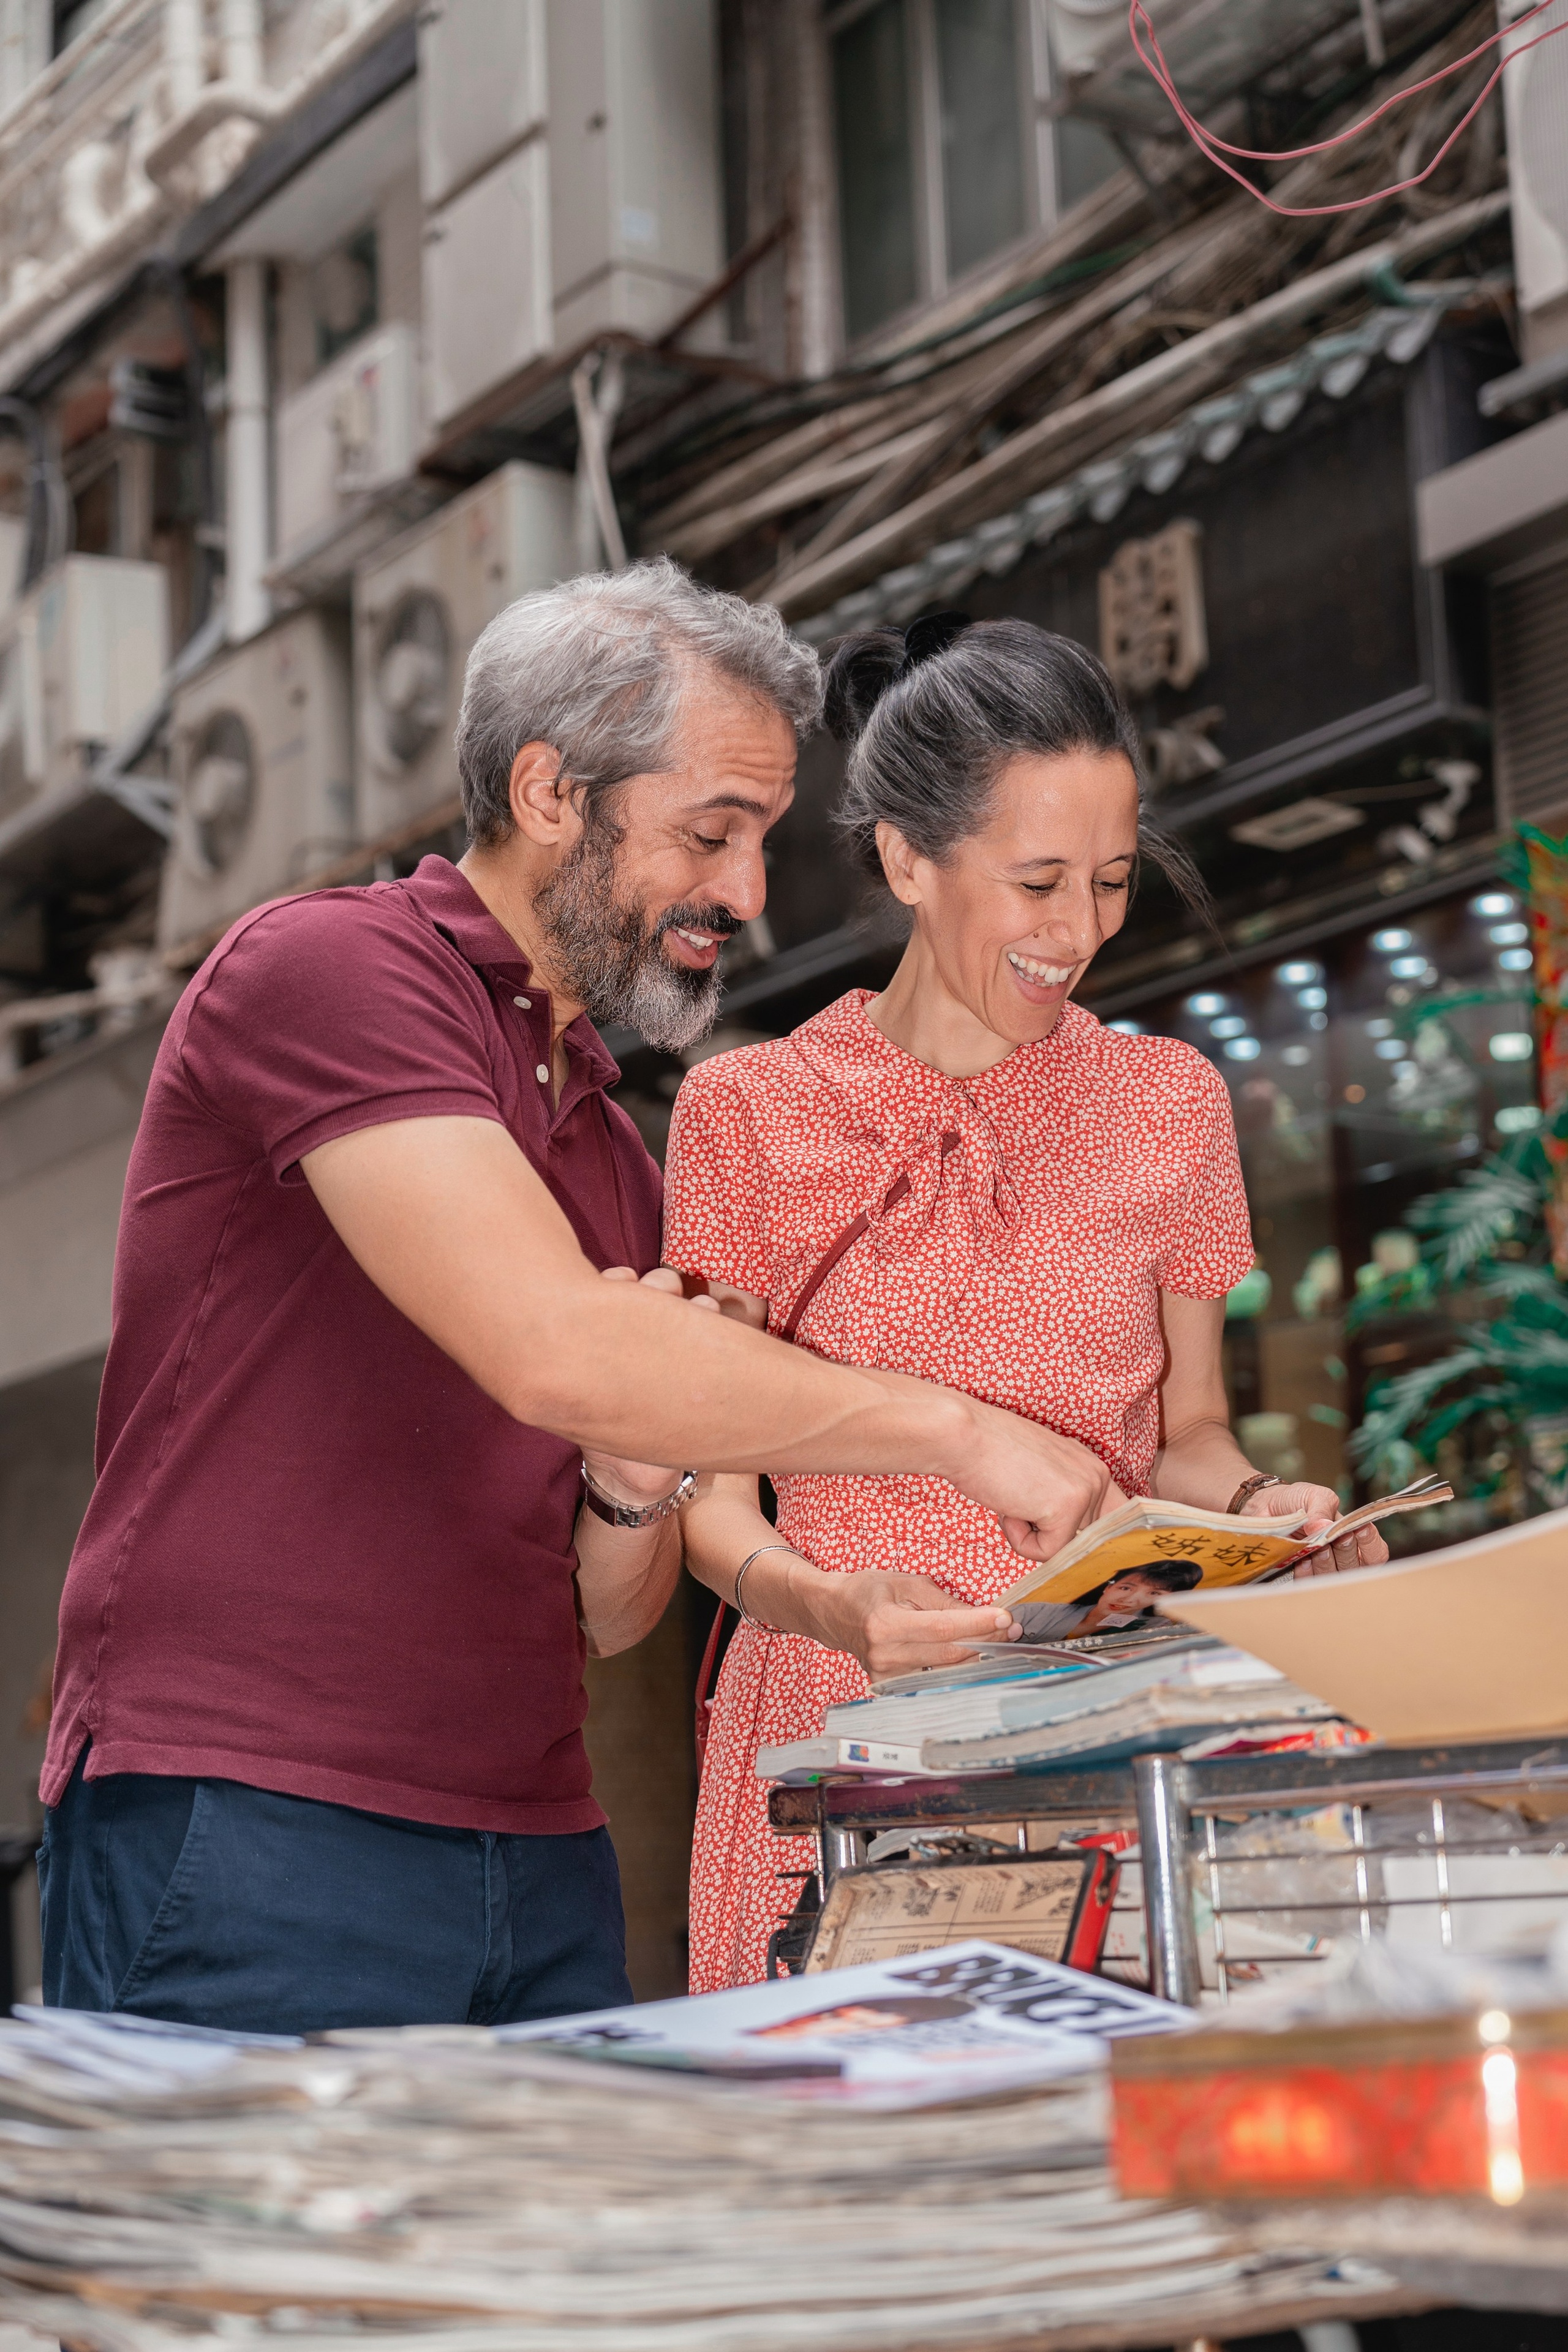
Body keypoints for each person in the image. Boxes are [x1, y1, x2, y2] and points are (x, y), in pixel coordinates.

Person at [38, 568, 1117, 2037]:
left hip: (539, 1839)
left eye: (757, 840)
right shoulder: (328, 968)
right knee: (263, 2276)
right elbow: (552, 1347)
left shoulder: (610, 1141)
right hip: (254, 1810)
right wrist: (964, 1433)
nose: (743, 893)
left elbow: (608, 1616)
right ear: (550, 791)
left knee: (530, 2271)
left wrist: (629, 1479)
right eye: (707, 832)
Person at [663, 613, 1390, 1994]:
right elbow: (701, 1496)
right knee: (861, 2162)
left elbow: (1187, 1434)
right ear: (904, 861)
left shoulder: (1167, 1100)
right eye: (1037, 881)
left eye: (1110, 883)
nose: (1078, 932)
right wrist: (823, 1606)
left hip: (1101, 1729)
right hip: (839, 1728)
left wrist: (1254, 1512)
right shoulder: (743, 1111)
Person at [1014, 1559, 1203, 1642]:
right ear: (1108, 1587)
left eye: (1154, 1594)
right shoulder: (1032, 1612)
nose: (1130, 1600)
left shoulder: (1155, 1630)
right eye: (1126, 1588)